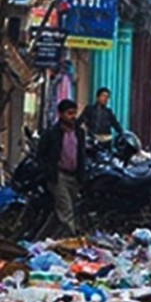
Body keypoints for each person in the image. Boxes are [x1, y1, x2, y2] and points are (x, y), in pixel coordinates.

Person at [37, 99, 86, 236]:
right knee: (66, 209)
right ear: (60, 114)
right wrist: (49, 172)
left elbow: (81, 155)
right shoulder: (51, 133)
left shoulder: (79, 133)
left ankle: (48, 238)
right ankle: (73, 240)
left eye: (74, 113)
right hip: (59, 177)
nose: (73, 117)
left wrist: (81, 176)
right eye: (69, 113)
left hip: (74, 177)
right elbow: (40, 155)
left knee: (63, 210)